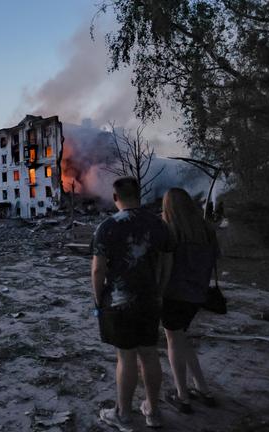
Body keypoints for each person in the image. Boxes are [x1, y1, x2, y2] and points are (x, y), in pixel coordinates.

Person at [92, 177, 173, 430]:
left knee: (126, 357)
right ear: (139, 194)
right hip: (150, 299)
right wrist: (159, 289)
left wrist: (98, 299)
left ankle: (124, 415)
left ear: (116, 198)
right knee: (150, 354)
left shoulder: (107, 227)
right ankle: (153, 411)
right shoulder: (159, 224)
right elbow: (167, 262)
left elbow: (98, 270)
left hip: (119, 302)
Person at [160, 188, 219, 413]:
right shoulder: (206, 230)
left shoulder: (171, 232)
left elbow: (165, 268)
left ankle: (182, 396)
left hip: (173, 296)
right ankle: (203, 389)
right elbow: (213, 261)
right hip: (196, 296)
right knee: (182, 339)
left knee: (174, 342)